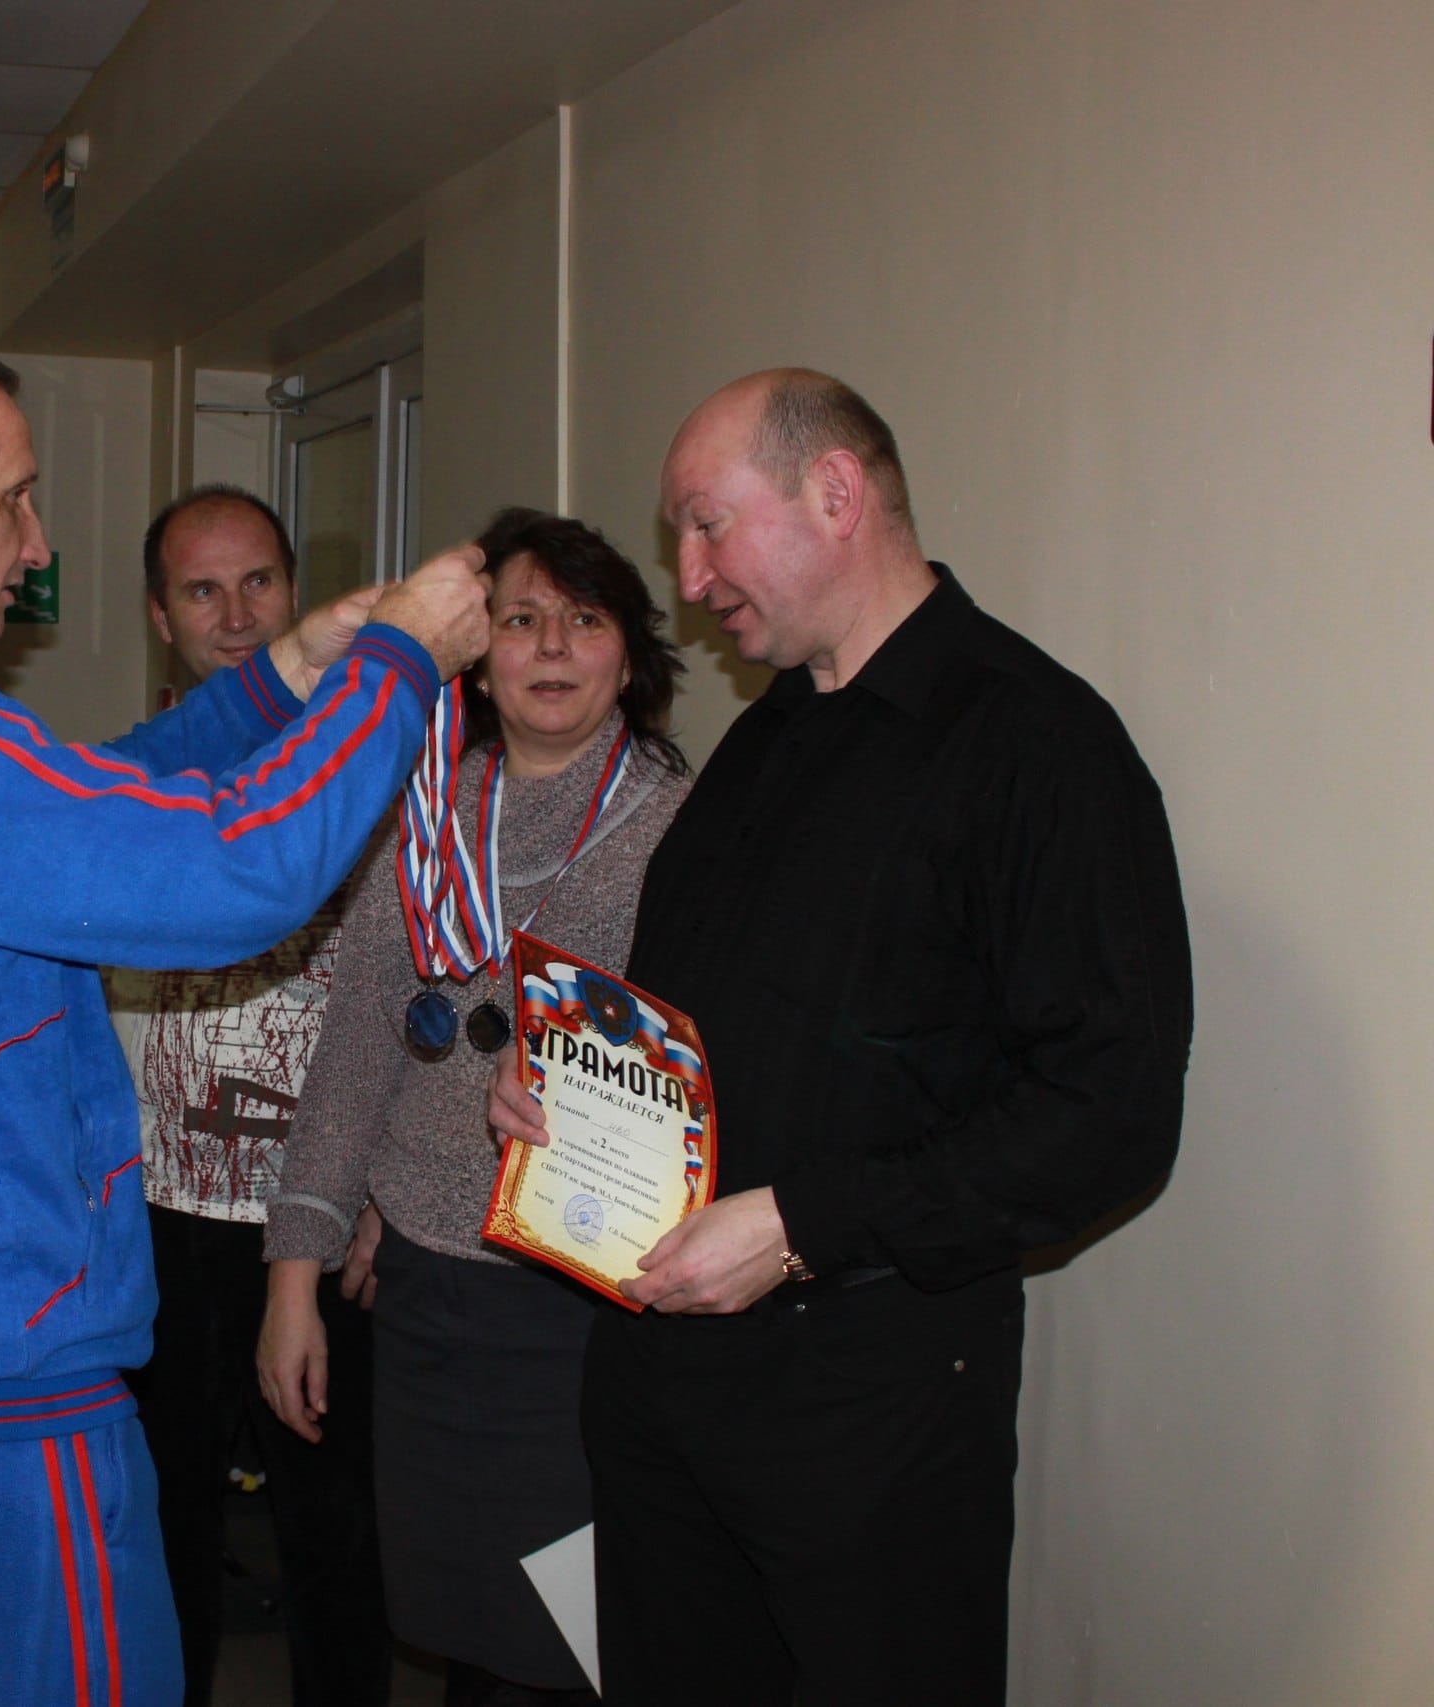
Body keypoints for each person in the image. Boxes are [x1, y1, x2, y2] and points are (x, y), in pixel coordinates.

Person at [0, 325, 490, 1707]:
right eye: (13, 496)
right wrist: (399, 665)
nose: (34, 543)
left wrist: (283, 678)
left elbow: (82, 796)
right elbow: (234, 869)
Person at [491, 371, 1192, 1706]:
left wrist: (804, 1222)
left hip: (869, 1404)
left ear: (834, 492)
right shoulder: (760, 742)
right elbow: (694, 1028)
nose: (689, 578)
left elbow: (1108, 1111)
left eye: (708, 526)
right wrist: (565, 1091)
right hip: (660, 1387)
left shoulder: (1038, 745)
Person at [264, 508, 693, 1706]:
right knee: (461, 1630)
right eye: (519, 619)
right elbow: (357, 1054)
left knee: (569, 1647)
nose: (551, 646)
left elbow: (715, 1071)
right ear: (474, 652)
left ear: (628, 654)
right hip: (423, 1299)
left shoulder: (684, 829)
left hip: (583, 1310)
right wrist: (293, 1282)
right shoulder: (424, 816)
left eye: (584, 619)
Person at [106, 484, 392, 1707]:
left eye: (258, 583)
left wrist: (385, 1192)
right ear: (159, 616)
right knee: (160, 1529)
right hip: (157, 1222)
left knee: (337, 1536)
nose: (235, 617)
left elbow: (428, 993)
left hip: (321, 1222)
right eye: (202, 592)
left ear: (296, 593)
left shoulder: (373, 778)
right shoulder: (121, 794)